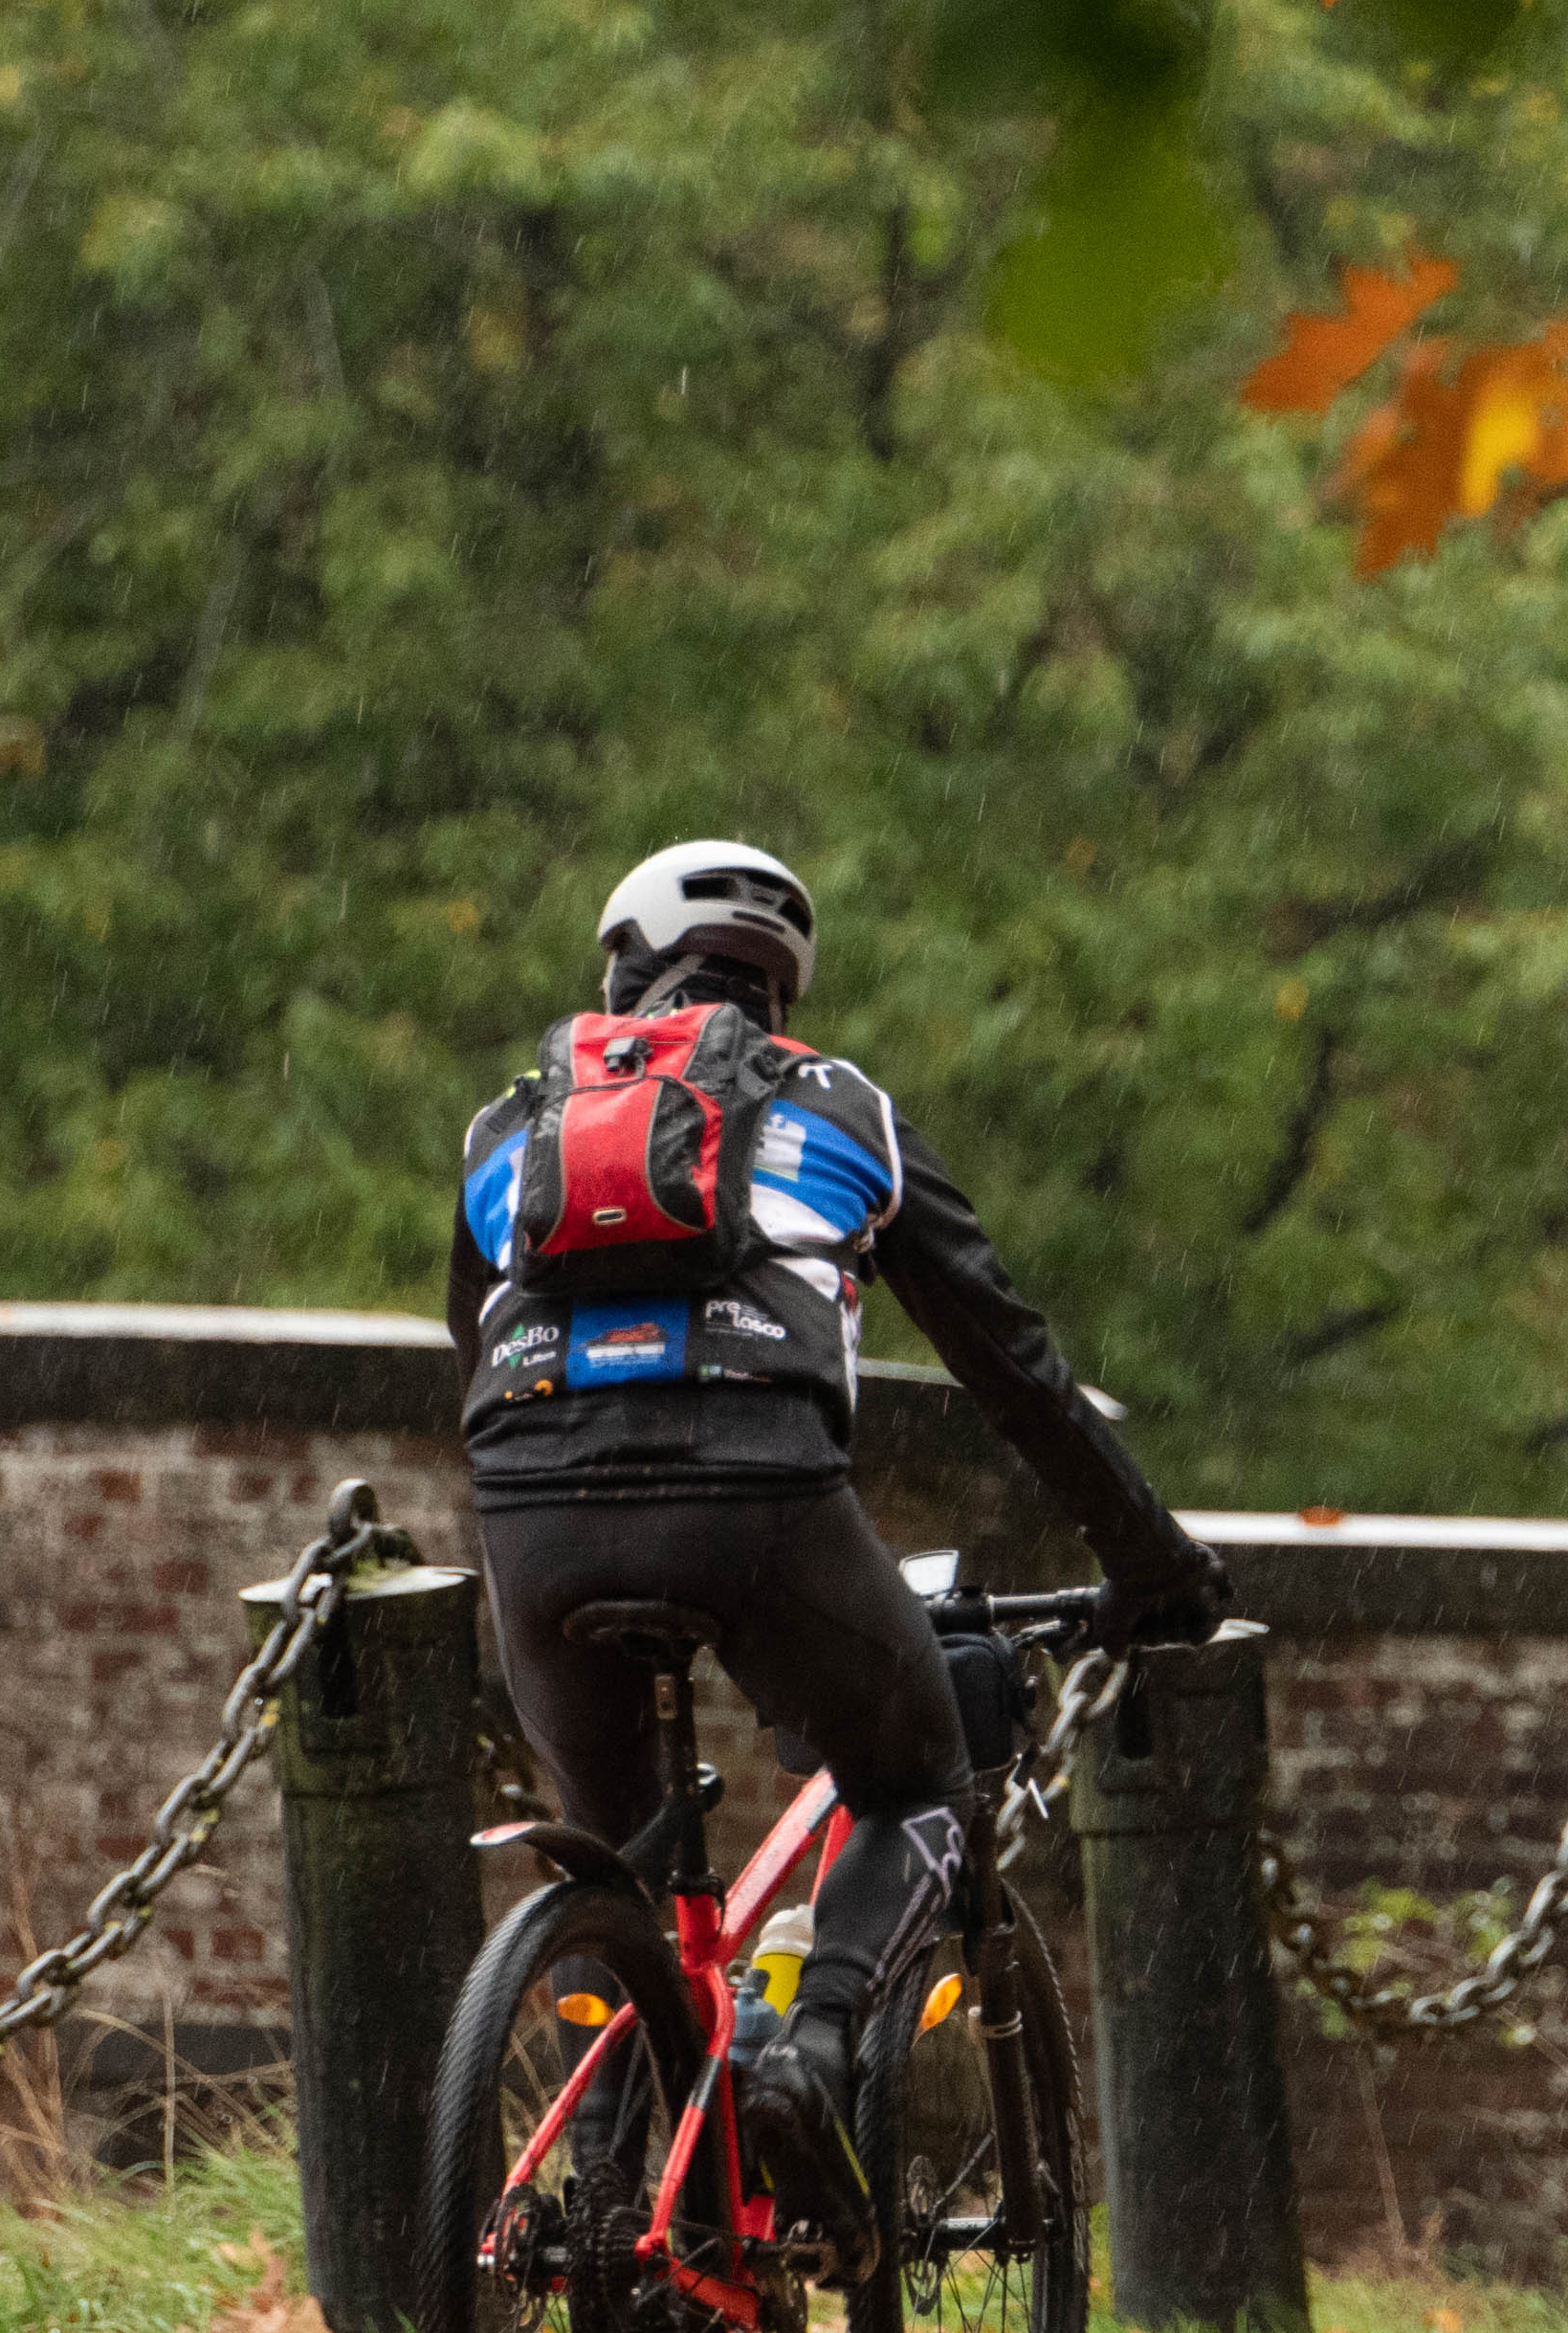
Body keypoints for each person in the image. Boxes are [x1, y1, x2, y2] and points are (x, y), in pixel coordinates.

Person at [449, 835, 1225, 2257]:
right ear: (778, 991)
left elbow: (468, 1364)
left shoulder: (510, 1126)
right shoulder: (840, 1109)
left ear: (621, 969)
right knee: (914, 1769)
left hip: (537, 1515)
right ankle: (811, 2047)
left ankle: (613, 2218)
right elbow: (1010, 1365)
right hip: (756, 1502)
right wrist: (1152, 1558)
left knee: (616, 1868)